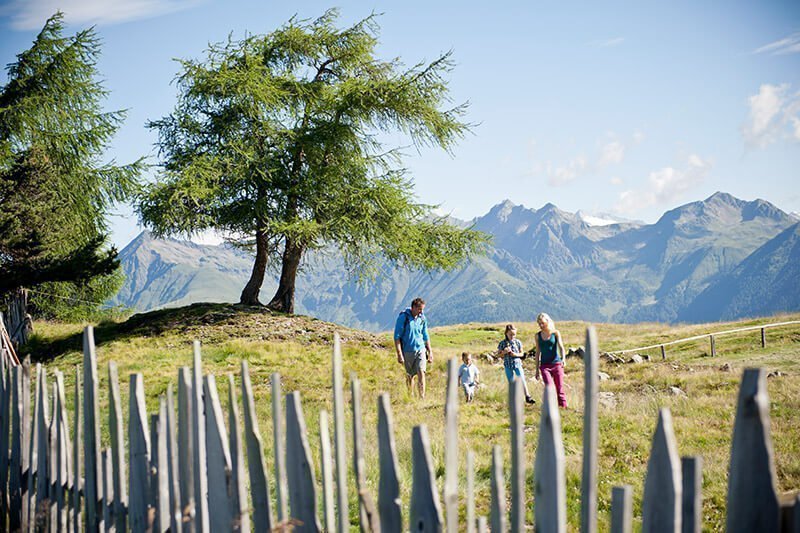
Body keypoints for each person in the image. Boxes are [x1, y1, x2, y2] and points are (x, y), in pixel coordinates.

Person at [394, 297, 433, 398]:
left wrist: (430, 352)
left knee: (421, 372)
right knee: (410, 375)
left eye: (422, 309)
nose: (421, 311)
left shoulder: (422, 318)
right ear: (413, 308)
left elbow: (425, 335)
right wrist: (399, 354)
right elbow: (397, 336)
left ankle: (422, 397)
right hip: (407, 351)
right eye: (420, 309)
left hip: (420, 349)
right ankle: (410, 395)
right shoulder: (404, 317)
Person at [533, 312, 567, 408]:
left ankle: (563, 407)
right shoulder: (537, 336)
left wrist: (563, 359)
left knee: (559, 388)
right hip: (544, 366)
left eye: (542, 323)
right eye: (539, 323)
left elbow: (561, 347)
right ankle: (551, 408)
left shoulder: (555, 333)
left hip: (556, 364)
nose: (541, 325)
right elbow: (537, 353)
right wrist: (536, 370)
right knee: (549, 387)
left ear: (548, 321)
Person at [497, 324, 535, 404]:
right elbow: (498, 355)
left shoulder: (518, 342)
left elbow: (522, 353)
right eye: (510, 334)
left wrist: (515, 355)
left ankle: (527, 396)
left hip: (517, 364)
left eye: (514, 334)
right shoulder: (502, 343)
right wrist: (504, 352)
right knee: (511, 382)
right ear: (506, 333)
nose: (512, 336)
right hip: (508, 365)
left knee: (522, 380)